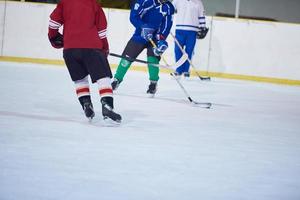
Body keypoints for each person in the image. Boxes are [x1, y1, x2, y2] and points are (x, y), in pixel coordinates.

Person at [48, 0, 122, 123]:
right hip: (92, 48)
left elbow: (53, 23)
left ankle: (86, 104)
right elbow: (102, 31)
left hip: (70, 49)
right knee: (103, 77)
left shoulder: (64, 3)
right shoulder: (94, 4)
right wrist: (105, 48)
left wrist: (54, 37)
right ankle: (107, 106)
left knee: (80, 78)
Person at [111, 0, 175, 96]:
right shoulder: (145, 1)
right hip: (140, 35)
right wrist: (143, 26)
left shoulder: (169, 7)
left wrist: (161, 39)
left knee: (153, 60)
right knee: (127, 58)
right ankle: (117, 80)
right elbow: (133, 16)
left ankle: (153, 83)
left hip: (155, 38)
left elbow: (167, 25)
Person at [172, 0, 209, 77]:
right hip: (179, 29)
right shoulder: (177, 1)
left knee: (189, 51)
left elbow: (201, 16)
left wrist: (203, 27)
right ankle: (178, 70)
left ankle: (186, 71)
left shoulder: (198, 2)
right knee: (177, 50)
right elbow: (170, 9)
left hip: (192, 31)